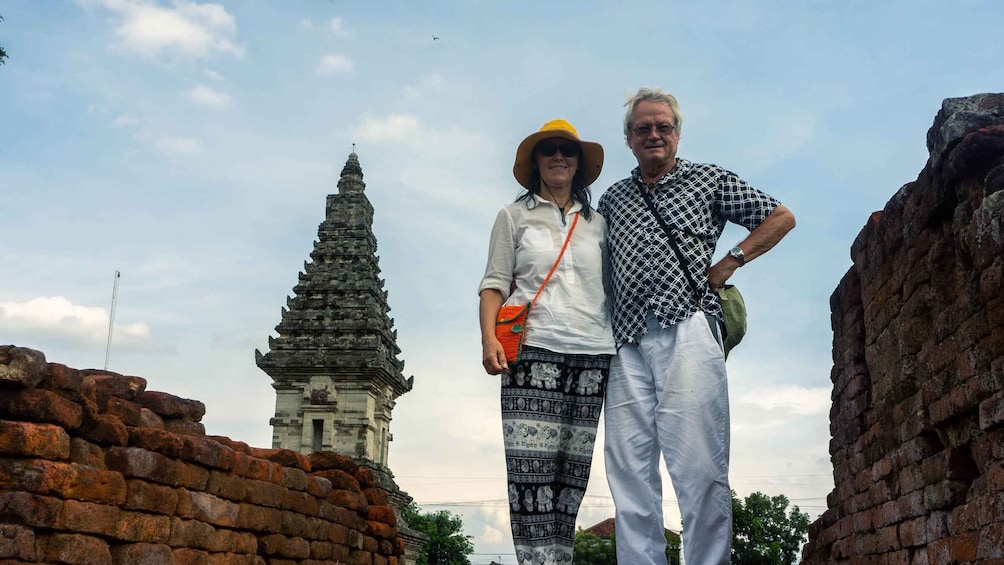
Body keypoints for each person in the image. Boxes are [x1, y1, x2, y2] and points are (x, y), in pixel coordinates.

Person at [597, 88, 796, 565]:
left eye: (663, 126)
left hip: (686, 327)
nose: (654, 135)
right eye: (643, 128)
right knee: (628, 469)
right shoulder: (612, 199)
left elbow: (780, 217)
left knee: (699, 466)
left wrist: (731, 260)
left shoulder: (708, 180)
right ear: (628, 138)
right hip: (625, 339)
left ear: (678, 133)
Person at [479, 119, 617, 565]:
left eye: (568, 150)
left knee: (571, 474)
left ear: (579, 163)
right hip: (533, 347)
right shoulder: (513, 215)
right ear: (535, 160)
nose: (559, 157)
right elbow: (495, 284)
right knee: (530, 471)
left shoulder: (599, 223)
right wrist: (488, 339)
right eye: (549, 149)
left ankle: (562, 559)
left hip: (593, 353)